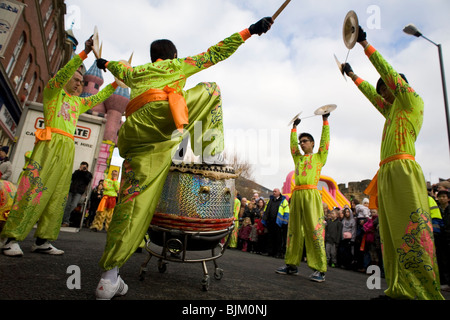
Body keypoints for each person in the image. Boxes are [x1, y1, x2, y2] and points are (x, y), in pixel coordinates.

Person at [94, 17, 274, 299]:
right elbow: (217, 52)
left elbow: (113, 66)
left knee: (130, 205)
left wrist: (103, 61)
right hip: (160, 117)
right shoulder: (177, 65)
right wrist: (250, 30)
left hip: (135, 137)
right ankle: (210, 152)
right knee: (212, 89)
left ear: (152, 56)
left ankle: (109, 276)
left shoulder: (135, 71)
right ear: (172, 56)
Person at [342, 26, 443, 300]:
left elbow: (387, 71)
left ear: (399, 84)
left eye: (386, 87)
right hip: (386, 170)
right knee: (389, 233)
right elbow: (371, 95)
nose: (383, 93)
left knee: (411, 229)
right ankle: (399, 288)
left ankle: (422, 291)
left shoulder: (411, 100)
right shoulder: (391, 110)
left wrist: (364, 42)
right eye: (382, 90)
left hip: (403, 168)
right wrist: (352, 75)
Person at [0, 37, 117, 257]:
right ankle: (10, 237)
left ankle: (43, 239)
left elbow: (99, 96)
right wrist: (84, 54)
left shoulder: (77, 102)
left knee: (58, 194)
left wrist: (114, 85)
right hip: (49, 144)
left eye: (81, 82)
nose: (78, 84)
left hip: (66, 148)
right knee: (33, 190)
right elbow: (64, 74)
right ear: (63, 79)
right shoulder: (53, 94)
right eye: (74, 79)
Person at [276, 112, 330, 282]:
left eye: (305, 141)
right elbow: (292, 147)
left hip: (311, 194)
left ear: (312, 143)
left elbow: (325, 142)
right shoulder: (298, 158)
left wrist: (325, 121)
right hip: (297, 194)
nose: (302, 144)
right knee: (294, 231)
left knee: (314, 229)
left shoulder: (319, 157)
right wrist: (294, 129)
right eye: (301, 142)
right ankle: (291, 265)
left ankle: (319, 269)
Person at [62, 161, 93, 227]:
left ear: (87, 167)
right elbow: (72, 178)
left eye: (84, 167)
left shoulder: (88, 174)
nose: (83, 168)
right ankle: (65, 221)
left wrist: (84, 172)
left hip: (79, 192)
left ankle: (65, 220)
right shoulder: (77, 172)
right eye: (82, 166)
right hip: (71, 190)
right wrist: (79, 171)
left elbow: (87, 180)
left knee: (73, 205)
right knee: (67, 205)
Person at [262, 188, 290, 259]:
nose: (274, 193)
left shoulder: (283, 201)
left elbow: (286, 212)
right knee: (270, 237)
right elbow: (266, 210)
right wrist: (264, 219)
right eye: (273, 191)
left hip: (278, 222)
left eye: (275, 191)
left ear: (279, 192)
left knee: (278, 238)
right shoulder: (270, 200)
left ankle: (278, 252)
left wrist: (284, 222)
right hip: (270, 221)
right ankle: (270, 251)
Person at [436, 190, 450, 291]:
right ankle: (445, 281)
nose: (442, 198)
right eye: (440, 197)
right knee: (442, 260)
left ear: (448, 198)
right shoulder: (437, 209)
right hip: (440, 238)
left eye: (444, 197)